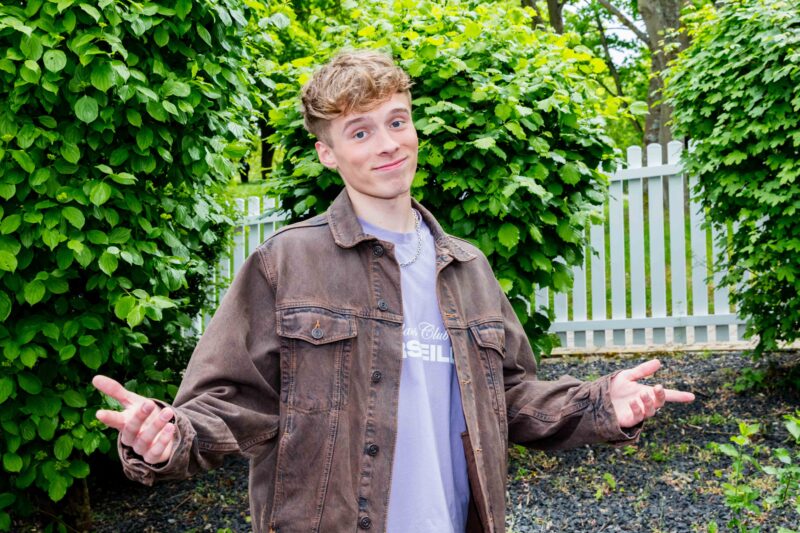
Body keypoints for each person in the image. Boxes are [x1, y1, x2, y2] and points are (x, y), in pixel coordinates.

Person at [92, 50, 695, 533]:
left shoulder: (468, 267)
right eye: (360, 132)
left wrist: (599, 403)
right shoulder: (285, 263)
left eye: (397, 121)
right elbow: (230, 400)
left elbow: (508, 397)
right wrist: (167, 436)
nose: (387, 144)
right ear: (328, 154)